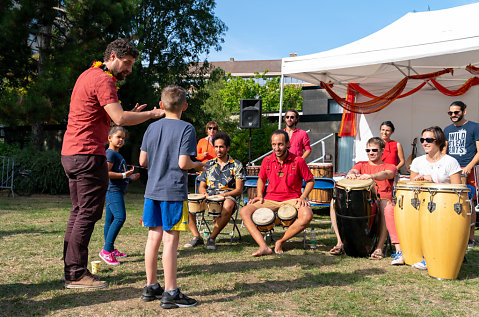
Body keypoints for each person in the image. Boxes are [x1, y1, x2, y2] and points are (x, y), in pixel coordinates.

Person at [61, 39, 164, 289]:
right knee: (87, 212)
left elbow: (104, 115)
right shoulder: (104, 79)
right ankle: (75, 273)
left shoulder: (88, 74)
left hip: (71, 153)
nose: (129, 69)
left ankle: (72, 267)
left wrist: (131, 113)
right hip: (88, 154)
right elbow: (119, 118)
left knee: (79, 211)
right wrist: (150, 115)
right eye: (126, 63)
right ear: (114, 56)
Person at [139, 85, 204, 309]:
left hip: (152, 192)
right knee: (170, 241)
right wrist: (199, 165)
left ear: (160, 105)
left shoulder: (151, 128)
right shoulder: (187, 128)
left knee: (152, 239)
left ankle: (151, 286)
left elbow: (142, 162)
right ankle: (171, 292)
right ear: (185, 106)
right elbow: (183, 163)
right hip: (173, 192)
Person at [240, 130, 314, 256]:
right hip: (270, 199)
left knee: (307, 215)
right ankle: (263, 246)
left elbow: (310, 180)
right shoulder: (266, 160)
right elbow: (261, 179)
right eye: (274, 145)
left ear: (288, 144)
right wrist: (259, 195)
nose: (277, 148)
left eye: (280, 144)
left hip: (293, 199)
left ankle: (281, 241)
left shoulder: (298, 161)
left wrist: (303, 197)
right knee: (244, 211)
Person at [329, 137, 401, 264]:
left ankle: (379, 248)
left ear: (382, 151)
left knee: (385, 203)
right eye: (368, 150)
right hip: (362, 202)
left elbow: (387, 174)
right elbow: (354, 170)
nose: (370, 153)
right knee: (334, 202)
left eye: (374, 150)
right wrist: (351, 173)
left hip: (381, 201)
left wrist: (372, 176)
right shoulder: (361, 164)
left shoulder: (390, 165)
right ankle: (340, 242)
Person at [410, 126, 462, 269]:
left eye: (429, 140)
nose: (424, 143)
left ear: (438, 141)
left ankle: (437, 256)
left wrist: (432, 180)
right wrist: (419, 180)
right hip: (422, 202)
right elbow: (411, 186)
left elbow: (457, 189)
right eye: (422, 140)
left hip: (444, 205)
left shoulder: (450, 162)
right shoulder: (417, 162)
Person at [184, 132, 245, 250]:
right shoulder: (208, 164)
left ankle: (212, 237)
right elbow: (201, 186)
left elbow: (239, 190)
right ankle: (197, 237)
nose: (218, 150)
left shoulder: (237, 165)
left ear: (227, 148)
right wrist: (205, 195)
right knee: (185, 203)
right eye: (216, 147)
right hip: (208, 197)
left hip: (227, 196)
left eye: (221, 147)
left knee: (228, 204)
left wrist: (223, 195)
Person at [99, 126, 140, 266]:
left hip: (117, 190)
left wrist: (130, 177)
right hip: (113, 191)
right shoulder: (110, 153)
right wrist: (124, 175)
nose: (121, 140)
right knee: (120, 217)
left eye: (123, 138)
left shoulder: (117, 154)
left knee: (110, 220)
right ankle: (106, 251)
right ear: (110, 138)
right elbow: (106, 173)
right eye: (118, 137)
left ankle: (110, 249)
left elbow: (118, 174)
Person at [444, 101, 479, 248]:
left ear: (464, 112)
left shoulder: (475, 127)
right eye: (450, 113)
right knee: (451, 201)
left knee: (469, 203)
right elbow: (444, 151)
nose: (453, 115)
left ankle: (470, 238)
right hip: (452, 170)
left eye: (456, 112)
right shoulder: (447, 129)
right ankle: (453, 234)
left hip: (468, 169)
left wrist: (470, 166)